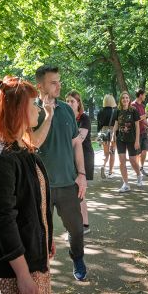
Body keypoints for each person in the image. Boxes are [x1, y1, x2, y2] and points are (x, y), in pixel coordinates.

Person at [0, 75, 55, 294]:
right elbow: (2, 221)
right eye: (33, 104)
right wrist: (22, 274)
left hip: (30, 262)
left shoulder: (21, 148)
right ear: (19, 110)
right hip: (8, 274)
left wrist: (45, 235)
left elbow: (34, 200)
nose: (38, 109)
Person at [31, 65, 88, 281]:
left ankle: (78, 258)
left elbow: (76, 144)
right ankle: (40, 268)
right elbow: (30, 144)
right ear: (40, 86)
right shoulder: (31, 111)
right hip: (40, 185)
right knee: (39, 230)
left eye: (59, 81)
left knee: (76, 229)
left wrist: (81, 174)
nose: (59, 85)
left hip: (67, 183)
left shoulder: (66, 109)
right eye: (53, 82)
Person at [66, 90, 94, 235]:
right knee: (75, 192)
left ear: (78, 103)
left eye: (73, 101)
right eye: (68, 101)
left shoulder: (84, 118)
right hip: (71, 158)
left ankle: (84, 225)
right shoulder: (66, 117)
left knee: (79, 192)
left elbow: (79, 140)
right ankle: (81, 224)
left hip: (84, 157)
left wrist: (61, 147)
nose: (70, 103)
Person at [110, 91, 142, 192]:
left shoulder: (134, 111)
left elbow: (137, 126)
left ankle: (139, 174)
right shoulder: (117, 111)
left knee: (133, 160)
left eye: (127, 98)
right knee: (121, 162)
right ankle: (126, 184)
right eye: (123, 98)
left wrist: (137, 140)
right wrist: (112, 137)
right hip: (120, 139)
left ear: (129, 99)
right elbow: (116, 125)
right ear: (121, 100)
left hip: (132, 139)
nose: (125, 99)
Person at [132, 89, 148, 177]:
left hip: (143, 132)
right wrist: (145, 115)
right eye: (144, 95)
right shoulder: (133, 105)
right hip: (136, 133)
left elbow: (143, 120)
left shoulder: (143, 106)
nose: (145, 96)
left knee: (144, 151)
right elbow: (135, 119)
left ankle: (141, 167)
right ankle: (137, 171)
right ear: (140, 95)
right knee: (137, 153)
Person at [97, 94, 117, 179]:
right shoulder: (115, 111)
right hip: (113, 132)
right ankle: (110, 172)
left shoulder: (100, 112)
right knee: (112, 152)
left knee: (105, 154)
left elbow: (99, 126)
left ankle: (103, 166)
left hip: (103, 133)